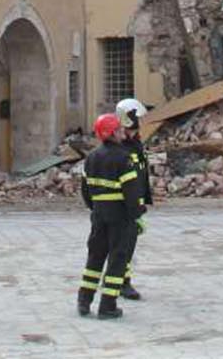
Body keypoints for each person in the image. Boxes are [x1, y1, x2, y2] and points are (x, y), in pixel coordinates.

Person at [77, 114, 145, 320]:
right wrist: (137, 216)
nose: (122, 132)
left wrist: (97, 207)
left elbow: (85, 191)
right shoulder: (123, 158)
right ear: (113, 132)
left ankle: (84, 301)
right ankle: (107, 306)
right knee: (118, 259)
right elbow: (132, 193)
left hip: (98, 215)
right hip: (120, 217)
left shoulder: (91, 157)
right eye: (118, 129)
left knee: (95, 257)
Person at [115, 98, 152, 301]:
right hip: (124, 206)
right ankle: (122, 282)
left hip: (134, 202)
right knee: (123, 245)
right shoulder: (122, 148)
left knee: (128, 244)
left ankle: (119, 278)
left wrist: (142, 201)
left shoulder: (134, 145)